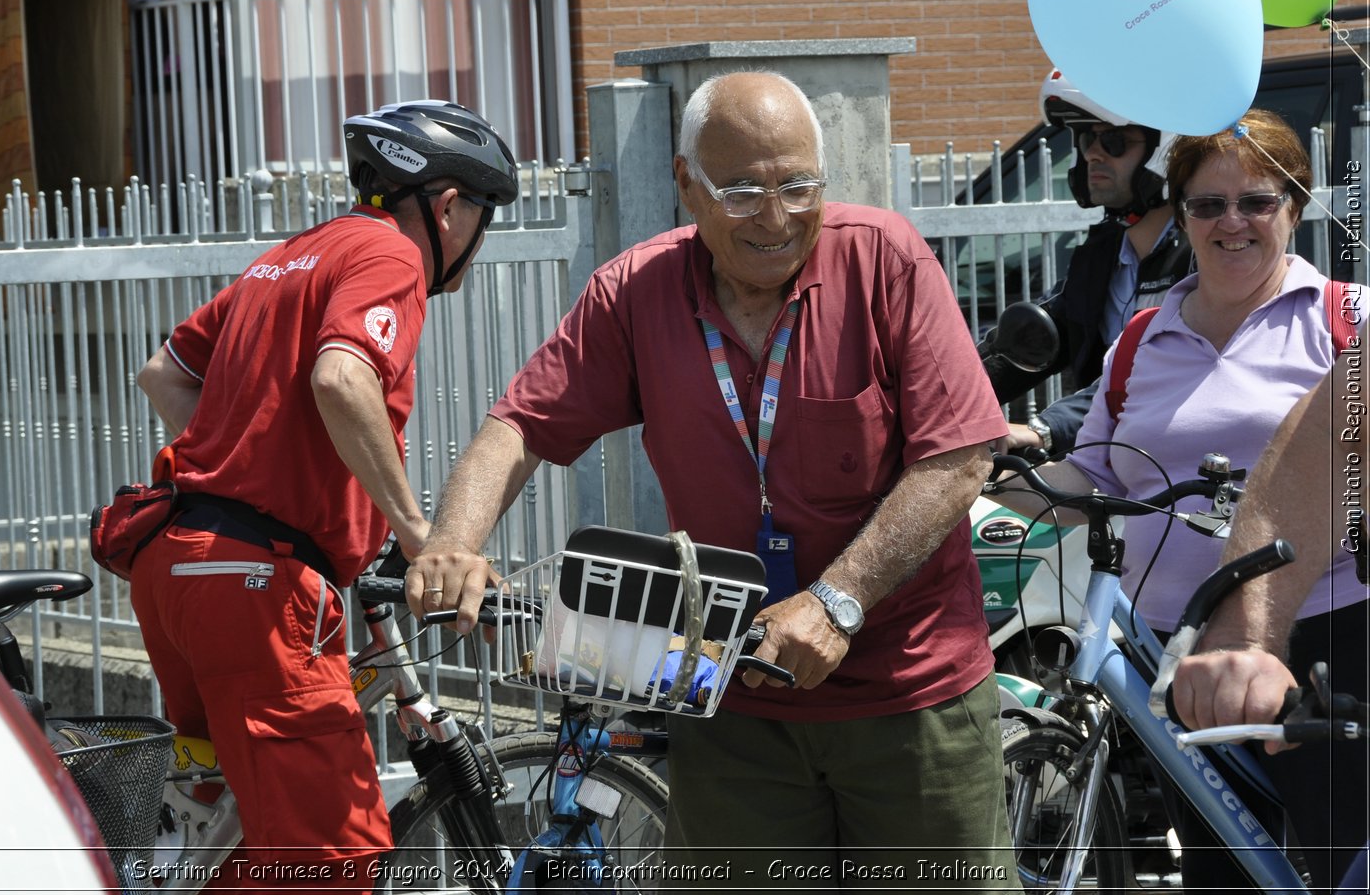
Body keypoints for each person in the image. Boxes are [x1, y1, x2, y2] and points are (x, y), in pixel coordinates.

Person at [408, 71, 1020, 888]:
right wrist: (453, 543)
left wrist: (838, 599)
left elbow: (958, 459)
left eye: (798, 185)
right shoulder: (636, 290)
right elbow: (518, 425)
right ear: (686, 185)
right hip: (728, 702)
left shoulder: (885, 259)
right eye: (741, 191)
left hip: (912, 698)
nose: (776, 217)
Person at [131, 101, 517, 890]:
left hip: (179, 562)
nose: (479, 237)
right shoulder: (392, 255)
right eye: (484, 214)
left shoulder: (296, 252)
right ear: (448, 207)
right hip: (255, 583)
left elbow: (165, 374)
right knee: (331, 855)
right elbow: (342, 376)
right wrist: (420, 535)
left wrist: (256, 457)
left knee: (237, 839)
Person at [987, 108, 1367, 890]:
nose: (1233, 222)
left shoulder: (1345, 319)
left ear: (1295, 206)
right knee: (1222, 870)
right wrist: (987, 475)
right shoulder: (1141, 335)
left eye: (1257, 201)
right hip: (1176, 651)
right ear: (1183, 214)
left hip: (1329, 639)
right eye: (1207, 204)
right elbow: (1093, 474)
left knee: (1340, 862)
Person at [1173, 350, 1370, 891]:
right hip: (1208, 647)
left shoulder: (1330, 313)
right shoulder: (1141, 338)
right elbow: (1338, 435)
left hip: (1339, 633)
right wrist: (1242, 633)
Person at [986, 69, 1191, 457]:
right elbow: (1037, 336)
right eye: (1087, 138)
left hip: (1182, 474)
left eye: (1113, 140)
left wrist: (1043, 429)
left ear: (1164, 150)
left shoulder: (1199, 259)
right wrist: (938, 394)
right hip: (1105, 468)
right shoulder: (1101, 255)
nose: (1094, 153)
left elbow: (1156, 371)